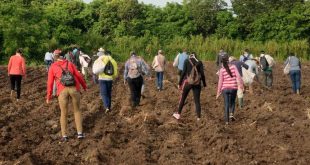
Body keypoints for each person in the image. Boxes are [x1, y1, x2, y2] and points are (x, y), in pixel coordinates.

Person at [46, 50, 87, 142]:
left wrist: (48, 96)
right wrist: (84, 86)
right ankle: (80, 133)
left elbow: (50, 83)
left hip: (62, 90)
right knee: (77, 110)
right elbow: (79, 76)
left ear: (54, 58)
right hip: (74, 88)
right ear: (62, 57)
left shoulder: (53, 66)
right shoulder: (70, 63)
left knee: (63, 113)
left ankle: (64, 135)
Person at [172, 52, 206, 121]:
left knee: (183, 98)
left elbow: (183, 72)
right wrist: (204, 83)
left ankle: (178, 114)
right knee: (197, 101)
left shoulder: (187, 61)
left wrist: (180, 83)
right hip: (197, 84)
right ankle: (199, 117)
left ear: (190, 56)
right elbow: (202, 74)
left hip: (188, 82)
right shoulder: (199, 62)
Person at [217, 55, 244, 124]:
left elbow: (220, 81)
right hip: (233, 88)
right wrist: (241, 86)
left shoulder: (222, 70)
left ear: (222, 62)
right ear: (228, 61)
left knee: (226, 104)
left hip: (225, 89)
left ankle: (226, 121)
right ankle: (231, 114)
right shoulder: (233, 67)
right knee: (232, 102)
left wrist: (218, 92)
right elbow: (238, 76)